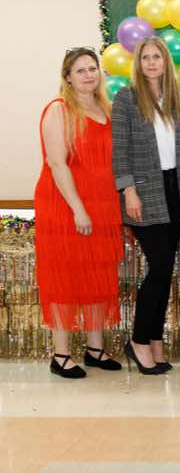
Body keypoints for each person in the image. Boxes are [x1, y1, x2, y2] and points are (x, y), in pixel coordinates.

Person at [34, 47, 123, 378]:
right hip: (66, 206)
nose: (88, 75)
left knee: (99, 273)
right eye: (80, 70)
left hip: (103, 205)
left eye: (92, 68)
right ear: (68, 78)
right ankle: (60, 355)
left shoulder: (106, 109)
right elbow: (57, 163)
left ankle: (95, 349)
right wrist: (78, 209)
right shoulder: (59, 110)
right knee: (66, 277)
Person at [111, 36, 180, 375]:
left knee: (165, 270)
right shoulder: (126, 98)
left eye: (157, 57)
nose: (152, 63)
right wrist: (128, 190)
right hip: (144, 191)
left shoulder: (174, 98)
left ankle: (154, 339)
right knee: (158, 268)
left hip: (174, 191)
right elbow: (119, 150)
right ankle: (139, 340)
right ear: (138, 64)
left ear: (165, 61)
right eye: (145, 58)